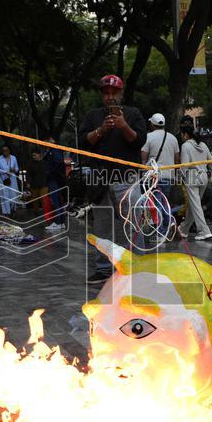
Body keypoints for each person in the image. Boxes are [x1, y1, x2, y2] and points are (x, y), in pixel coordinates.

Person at [77, 74, 148, 284]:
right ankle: (103, 268)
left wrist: (123, 125)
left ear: (121, 93)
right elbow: (83, 142)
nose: (110, 97)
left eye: (114, 93)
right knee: (102, 225)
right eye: (106, 93)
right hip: (100, 178)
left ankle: (138, 266)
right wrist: (101, 130)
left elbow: (139, 141)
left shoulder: (133, 114)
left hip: (127, 177)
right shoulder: (93, 116)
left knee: (133, 222)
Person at [178, 122, 212, 241]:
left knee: (195, 205)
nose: (182, 137)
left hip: (192, 178)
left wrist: (179, 176)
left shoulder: (186, 146)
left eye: (182, 134)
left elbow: (184, 165)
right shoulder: (203, 145)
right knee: (195, 205)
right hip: (204, 178)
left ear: (186, 134)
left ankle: (204, 231)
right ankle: (183, 230)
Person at [141, 113, 180, 239]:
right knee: (164, 202)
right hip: (169, 176)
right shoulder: (173, 138)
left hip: (154, 176)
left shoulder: (148, 137)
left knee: (157, 203)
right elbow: (177, 160)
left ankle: (162, 231)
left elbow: (143, 158)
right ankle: (170, 223)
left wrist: (142, 174)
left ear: (152, 124)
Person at [44, 136, 68, 231]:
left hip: (54, 180)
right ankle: (61, 222)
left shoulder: (54, 150)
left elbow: (57, 164)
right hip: (57, 179)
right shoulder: (55, 150)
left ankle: (58, 222)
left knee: (56, 201)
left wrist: (50, 173)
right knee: (58, 201)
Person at [0, 145, 21, 216]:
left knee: (13, 195)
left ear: (9, 151)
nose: (5, 152)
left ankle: (13, 210)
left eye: (6, 150)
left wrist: (14, 170)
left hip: (12, 179)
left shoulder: (13, 158)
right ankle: (6, 212)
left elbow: (17, 169)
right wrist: (5, 172)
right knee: (4, 196)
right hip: (3, 179)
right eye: (3, 150)